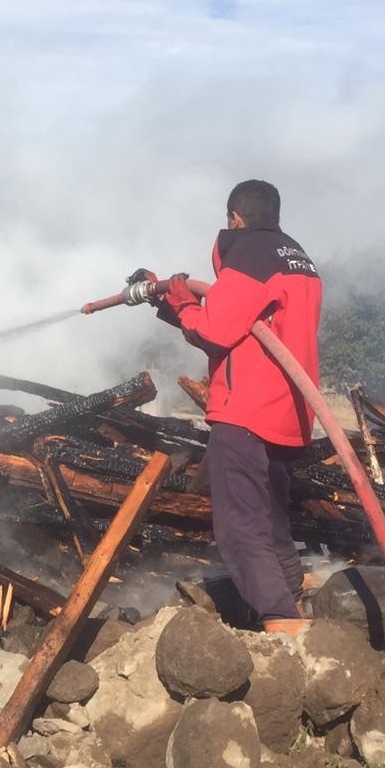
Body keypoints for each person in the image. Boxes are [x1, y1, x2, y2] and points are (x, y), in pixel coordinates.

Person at [141, 179, 323, 634]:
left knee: (239, 523)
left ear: (235, 218)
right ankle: (291, 591)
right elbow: (246, 325)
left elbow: (217, 330)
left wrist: (184, 305)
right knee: (272, 513)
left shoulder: (247, 255)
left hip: (247, 408)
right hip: (290, 407)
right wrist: (170, 304)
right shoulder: (297, 257)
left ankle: (279, 619)